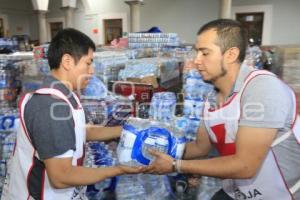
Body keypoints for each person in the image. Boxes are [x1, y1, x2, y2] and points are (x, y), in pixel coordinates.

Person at [146, 19, 300, 199]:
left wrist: (175, 165)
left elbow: (245, 166)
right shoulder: (211, 98)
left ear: (231, 55)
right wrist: (155, 151)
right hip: (237, 191)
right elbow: (199, 147)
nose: (196, 61)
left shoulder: (262, 88)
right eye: (197, 52)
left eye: (205, 53)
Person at [2, 28, 144, 200]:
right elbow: (62, 177)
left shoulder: (64, 95)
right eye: (88, 63)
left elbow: (81, 130)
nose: (92, 71)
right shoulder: (51, 105)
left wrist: (131, 130)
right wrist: (118, 169)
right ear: (67, 61)